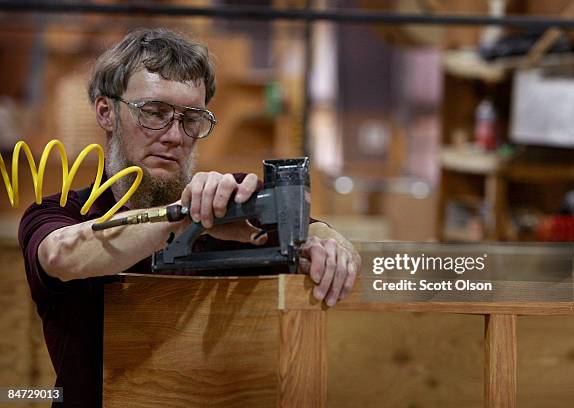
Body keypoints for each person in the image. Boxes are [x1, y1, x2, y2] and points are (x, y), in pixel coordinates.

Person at [18, 28, 360, 407]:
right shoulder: (59, 213)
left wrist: (331, 243)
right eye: (154, 114)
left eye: (191, 119)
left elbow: (313, 229)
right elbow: (61, 256)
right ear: (106, 112)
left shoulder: (233, 202)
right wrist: (182, 217)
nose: (175, 135)